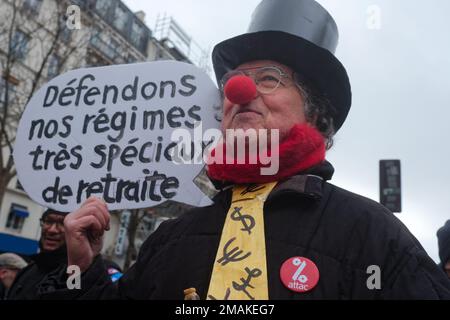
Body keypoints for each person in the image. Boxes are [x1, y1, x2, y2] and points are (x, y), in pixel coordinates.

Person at [40, 0, 450, 299]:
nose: (240, 90)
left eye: (269, 78)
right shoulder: (170, 238)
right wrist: (82, 270)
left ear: (314, 112)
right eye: (233, 80)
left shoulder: (373, 234)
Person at [7, 208, 68, 299]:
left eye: (62, 223)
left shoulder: (74, 272)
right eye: (49, 221)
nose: (52, 230)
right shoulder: (27, 270)